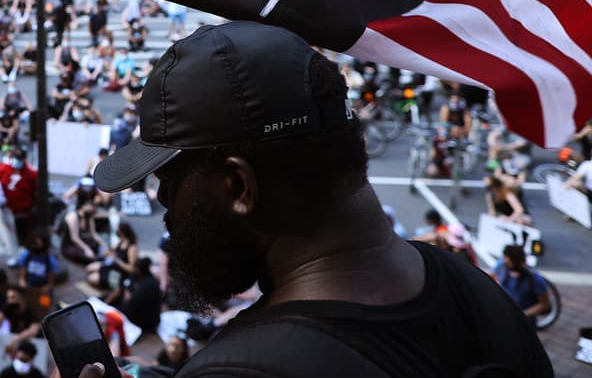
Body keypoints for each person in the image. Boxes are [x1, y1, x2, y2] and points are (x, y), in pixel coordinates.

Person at [78, 21, 552, 377]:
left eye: (170, 182)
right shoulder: (482, 294)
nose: (164, 204)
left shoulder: (243, 369)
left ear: (238, 188)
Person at [490, 244, 552, 325]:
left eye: (508, 261)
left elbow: (544, 304)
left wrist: (522, 315)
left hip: (523, 322)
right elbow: (493, 277)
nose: (505, 262)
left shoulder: (535, 279)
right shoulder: (501, 266)